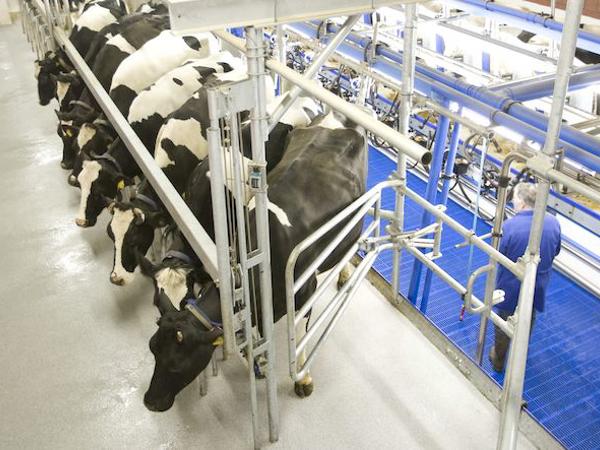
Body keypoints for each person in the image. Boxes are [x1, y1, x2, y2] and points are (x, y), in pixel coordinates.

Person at [489, 182, 562, 372]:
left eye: (514, 200)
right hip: (538, 283)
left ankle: (499, 358)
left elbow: (500, 256)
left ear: (521, 203)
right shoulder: (553, 222)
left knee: (505, 321)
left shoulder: (511, 226)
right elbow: (556, 250)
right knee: (528, 316)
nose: (513, 203)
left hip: (511, 285)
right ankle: (519, 355)